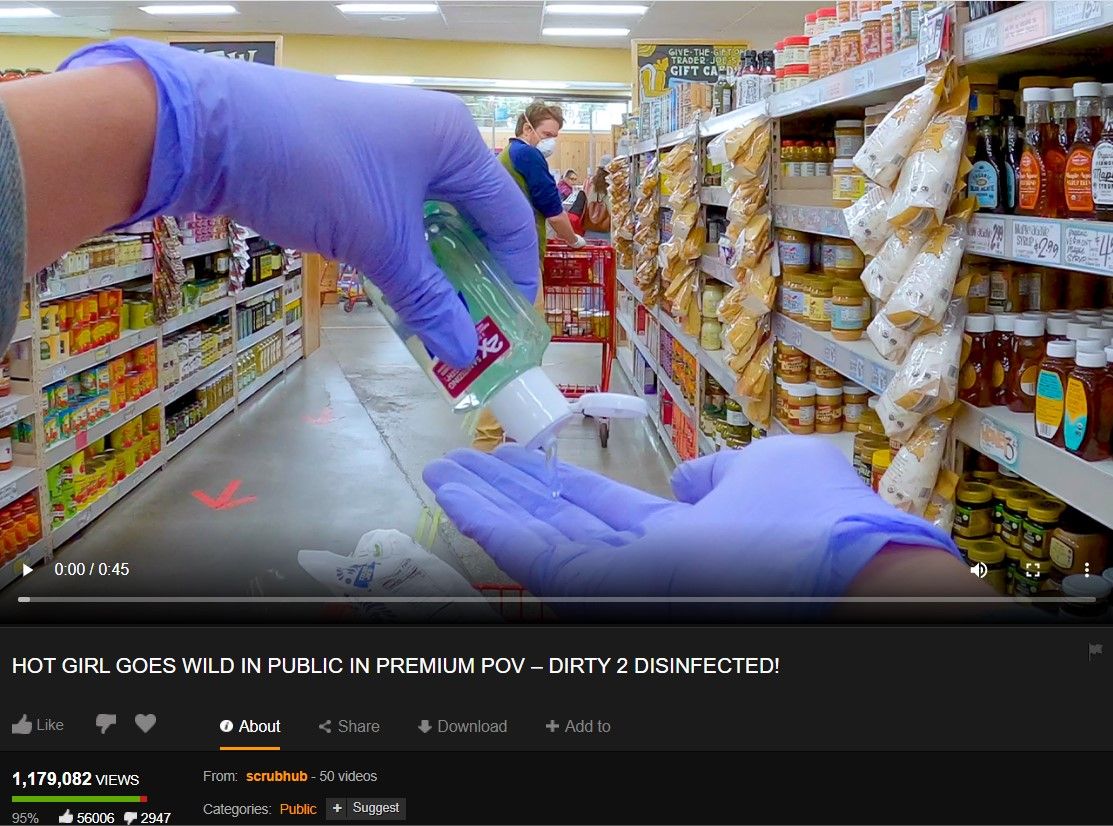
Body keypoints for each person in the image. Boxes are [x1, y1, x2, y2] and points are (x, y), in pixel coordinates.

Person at [0, 40, 988, 611]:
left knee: (474, 362)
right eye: (550, 129)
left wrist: (175, 125)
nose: (550, 139)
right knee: (471, 355)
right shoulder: (517, 165)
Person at [472, 101, 587, 451]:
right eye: (548, 133)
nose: (551, 141)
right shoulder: (528, 155)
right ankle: (493, 440)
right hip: (518, 265)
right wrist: (574, 240)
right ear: (527, 128)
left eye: (555, 135)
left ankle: (504, 435)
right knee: (520, 349)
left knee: (510, 347)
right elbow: (554, 211)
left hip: (499, 262)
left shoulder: (507, 156)